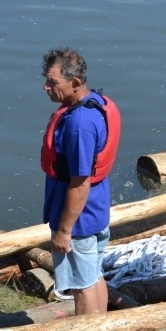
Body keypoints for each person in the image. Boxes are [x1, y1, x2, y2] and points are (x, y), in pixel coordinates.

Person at [41, 46, 121, 315]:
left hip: (79, 221)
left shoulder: (79, 125)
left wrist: (64, 231)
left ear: (75, 83)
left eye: (52, 82)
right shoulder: (96, 103)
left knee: (82, 286)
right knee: (93, 276)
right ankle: (102, 328)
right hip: (96, 210)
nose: (46, 87)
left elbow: (80, 182)